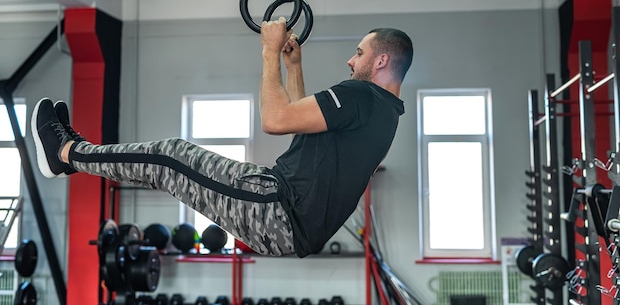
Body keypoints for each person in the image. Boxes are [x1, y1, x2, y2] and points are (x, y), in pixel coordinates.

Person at [32, 18, 413, 258]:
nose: (351, 60)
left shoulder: (361, 94)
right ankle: (72, 155)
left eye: (359, 52)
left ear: (380, 61)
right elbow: (301, 121)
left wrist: (267, 51)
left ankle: (65, 152)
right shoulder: (384, 114)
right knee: (167, 165)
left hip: (276, 209)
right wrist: (291, 66)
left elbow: (276, 119)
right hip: (281, 211)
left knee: (170, 156)